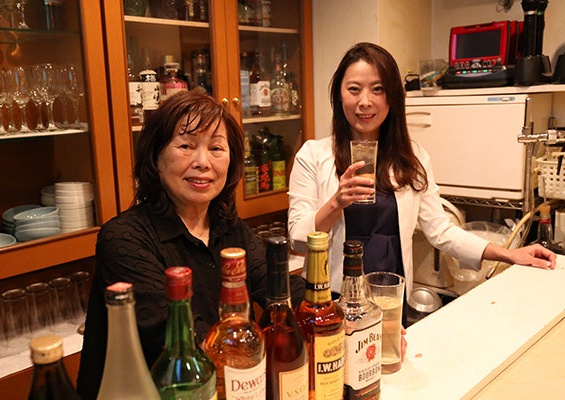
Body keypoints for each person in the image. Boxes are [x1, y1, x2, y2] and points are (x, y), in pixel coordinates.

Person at [287, 41, 556, 304]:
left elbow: (440, 230)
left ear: (392, 97)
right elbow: (298, 239)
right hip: (331, 299)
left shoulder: (412, 157)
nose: (365, 101)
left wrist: (509, 254)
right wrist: (336, 203)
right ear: (339, 95)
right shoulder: (313, 155)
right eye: (354, 89)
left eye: (378, 89)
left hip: (392, 297)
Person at [76, 91, 305, 399]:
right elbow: (178, 341)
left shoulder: (228, 227)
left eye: (216, 148)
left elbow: (277, 286)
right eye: (186, 146)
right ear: (156, 157)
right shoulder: (124, 238)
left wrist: (329, 309)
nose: (203, 162)